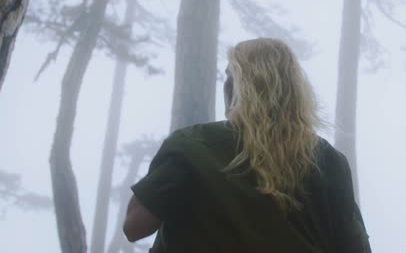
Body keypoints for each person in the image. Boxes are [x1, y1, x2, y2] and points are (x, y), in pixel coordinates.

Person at [122, 38, 371, 252]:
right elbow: (354, 246)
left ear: (235, 87)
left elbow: (134, 226)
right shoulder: (327, 159)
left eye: (229, 76)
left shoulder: (193, 146)